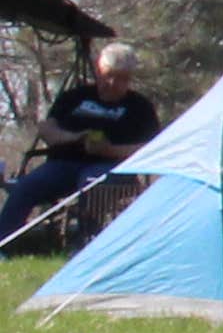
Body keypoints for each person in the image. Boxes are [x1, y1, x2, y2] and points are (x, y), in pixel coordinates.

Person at [1, 39, 159, 250]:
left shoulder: (140, 108)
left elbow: (150, 149)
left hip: (112, 167)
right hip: (64, 163)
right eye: (108, 75)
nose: (112, 83)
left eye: (121, 79)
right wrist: (75, 137)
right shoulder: (75, 97)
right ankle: (5, 243)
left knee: (93, 182)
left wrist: (109, 150)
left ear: (129, 79)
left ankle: (84, 243)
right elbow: (47, 130)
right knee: (27, 185)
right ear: (98, 70)